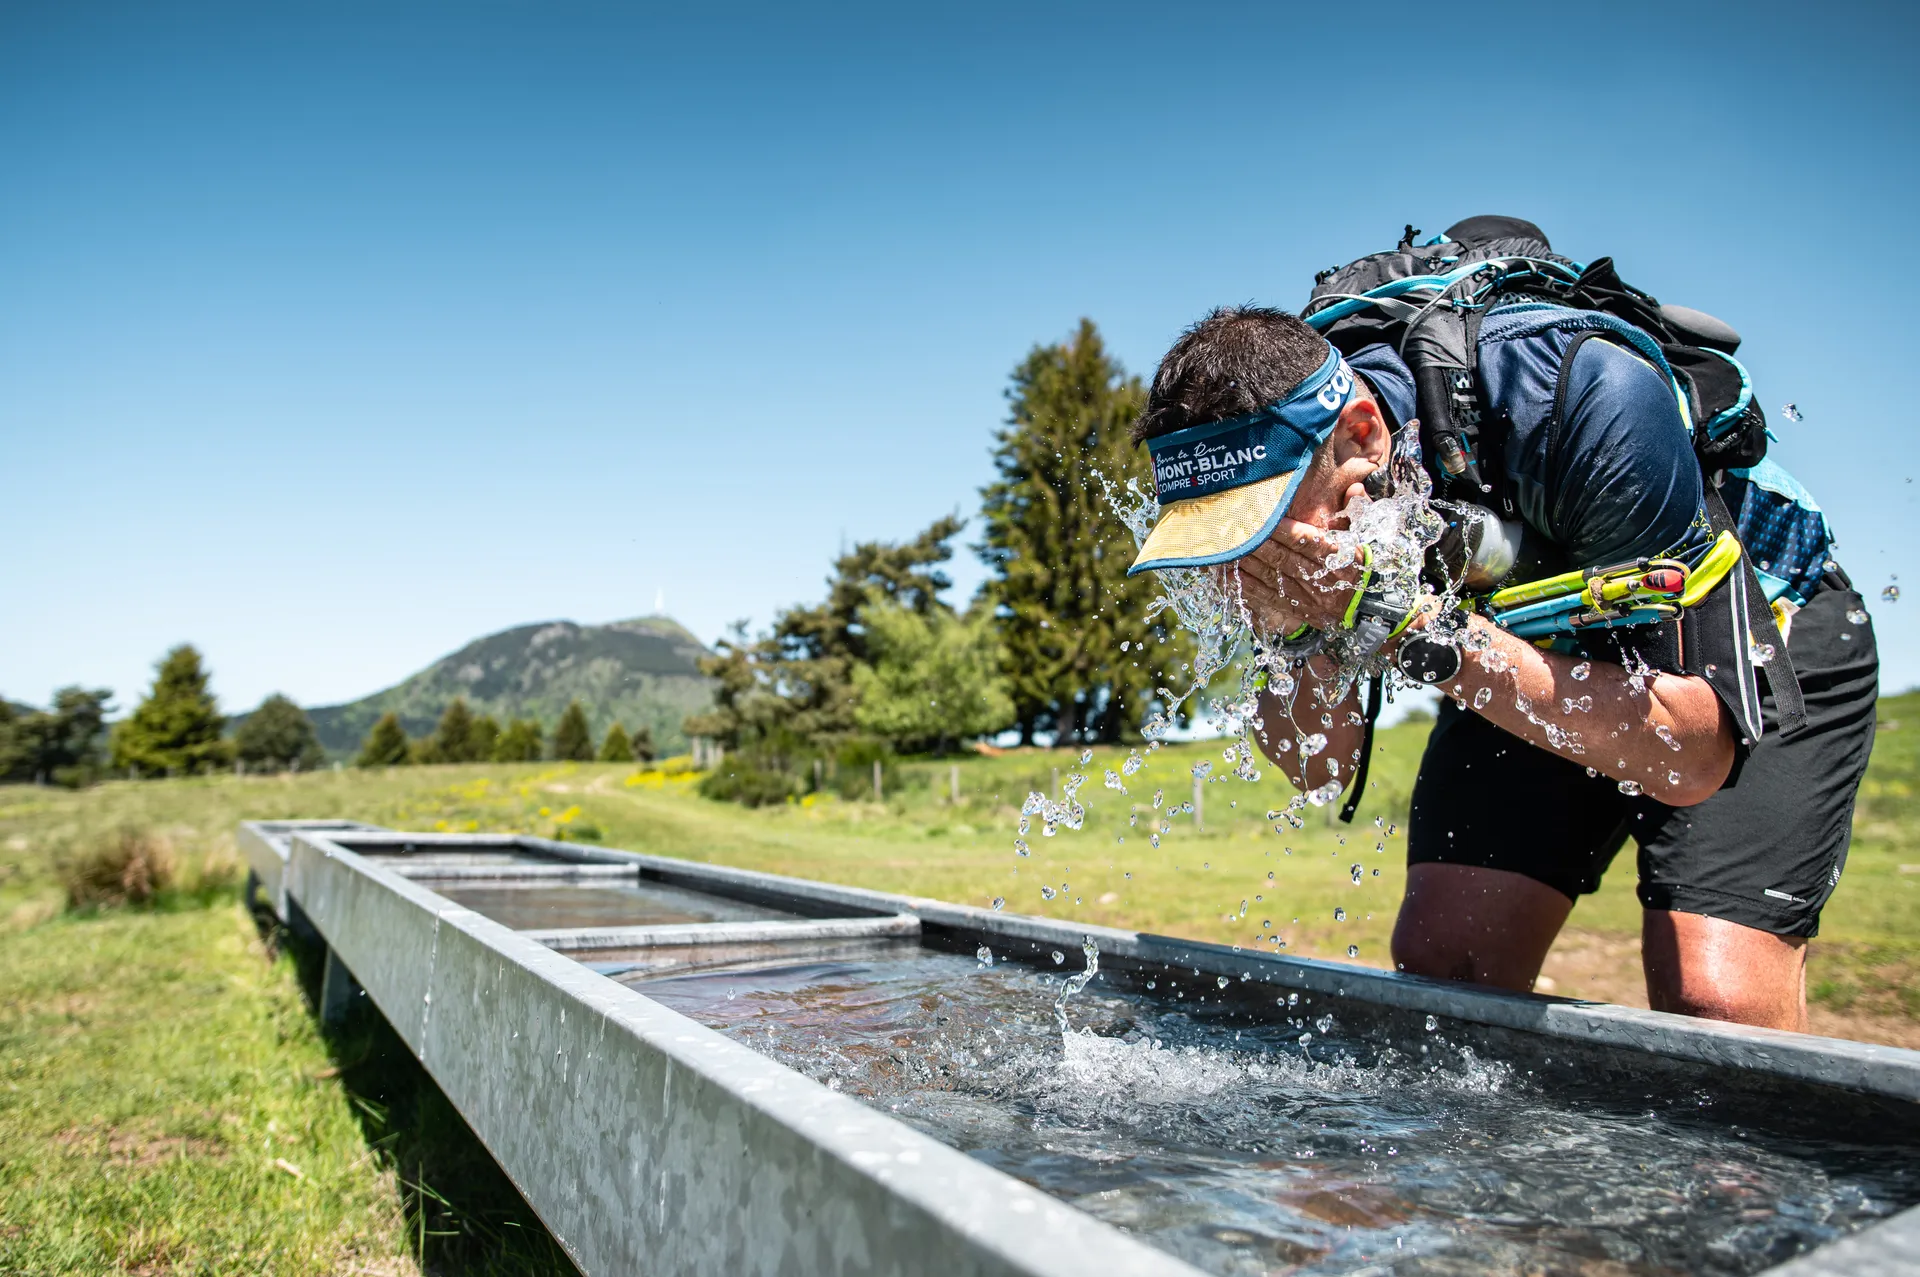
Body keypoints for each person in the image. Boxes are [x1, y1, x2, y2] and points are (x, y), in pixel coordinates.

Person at [1122, 219, 1878, 1031]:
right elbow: (1320, 768)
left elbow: (1692, 756)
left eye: (1261, 522)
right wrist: (1310, 631)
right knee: (1451, 964)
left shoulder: (1587, 396)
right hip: (1540, 628)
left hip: (1765, 627)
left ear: (1363, 433)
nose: (1257, 557)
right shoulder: (1302, 495)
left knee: (1717, 997)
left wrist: (1412, 629)